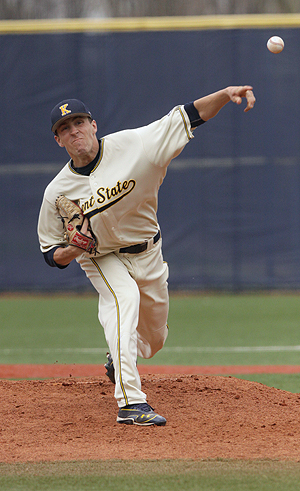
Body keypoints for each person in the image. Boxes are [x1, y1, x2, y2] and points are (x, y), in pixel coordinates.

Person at [37, 86, 256, 426]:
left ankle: (119, 355)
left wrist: (227, 94)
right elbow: (52, 253)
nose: (73, 131)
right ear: (58, 141)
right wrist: (73, 248)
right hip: (100, 257)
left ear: (93, 125)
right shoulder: (57, 192)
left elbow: (188, 115)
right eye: (64, 129)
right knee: (123, 300)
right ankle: (130, 404)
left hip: (148, 251)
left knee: (154, 339)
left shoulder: (136, 145)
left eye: (78, 122)